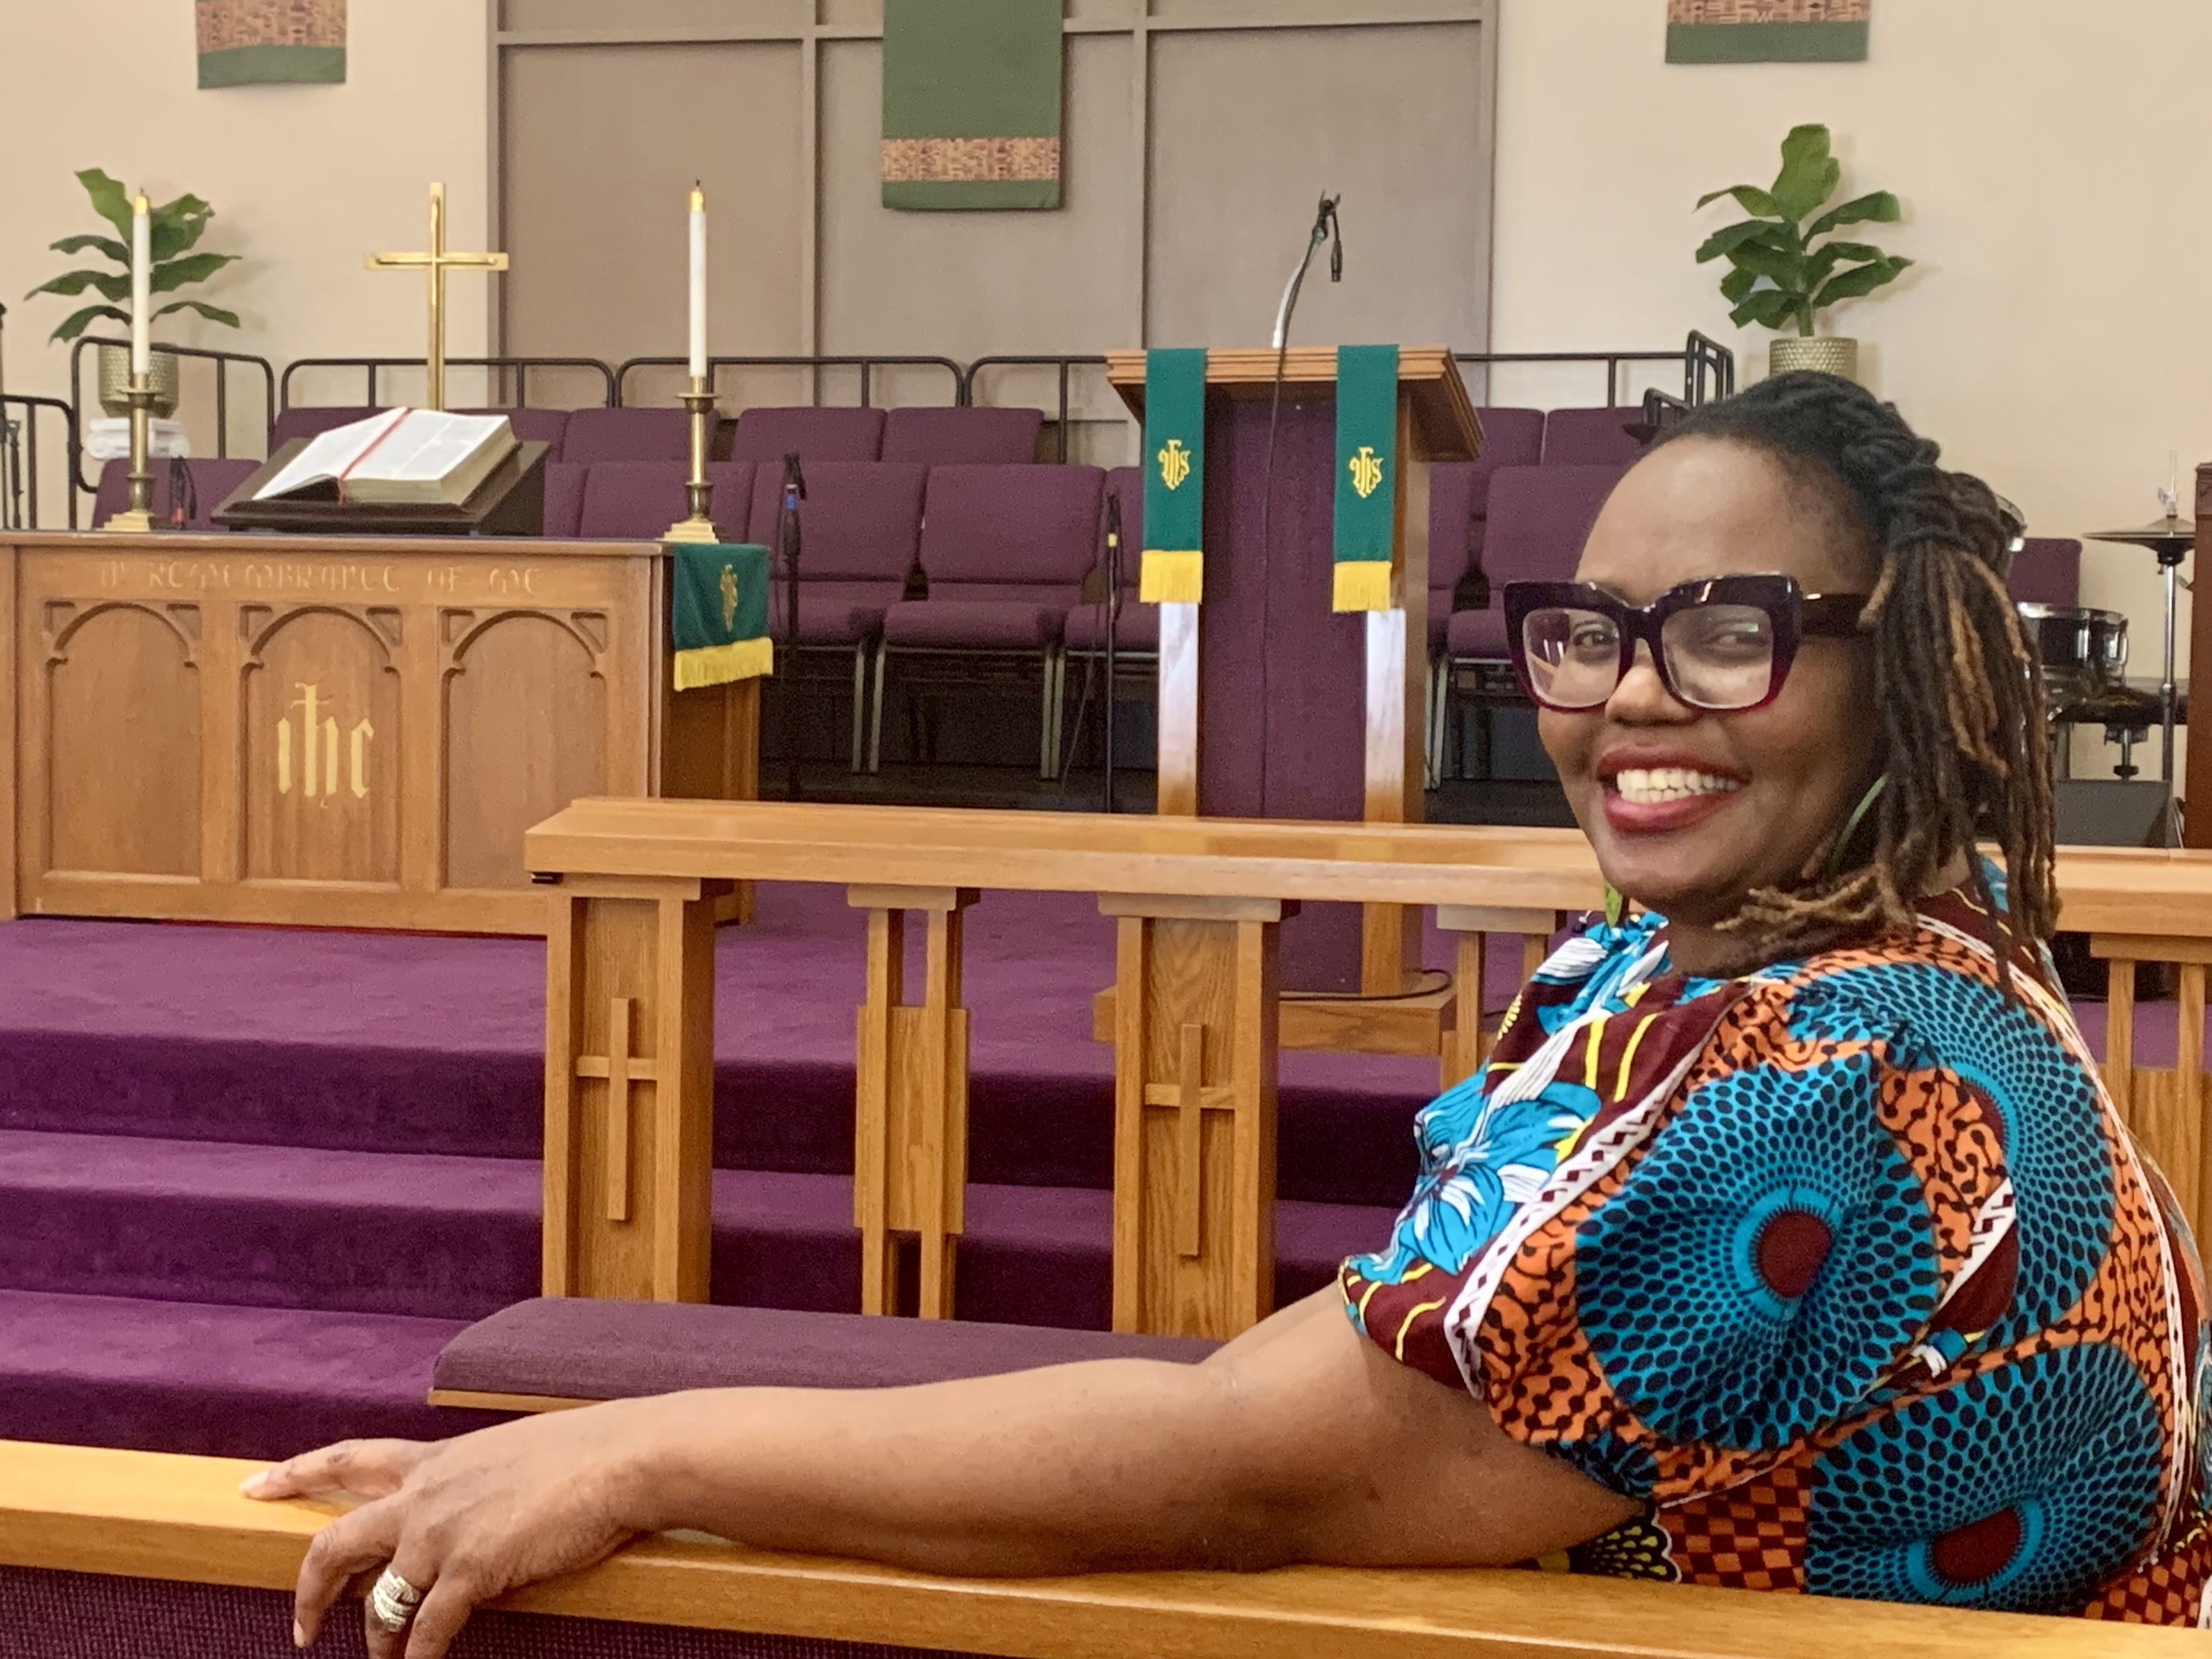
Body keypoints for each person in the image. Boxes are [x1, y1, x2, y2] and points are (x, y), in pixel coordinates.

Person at [247, 374, 2212, 1652]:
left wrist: (637, 1457)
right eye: (1587, 631)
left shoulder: (1837, 1074)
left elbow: (1243, 1468)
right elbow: (1327, 1368)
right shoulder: (1682, 961)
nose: (1627, 697)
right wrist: (602, 1438)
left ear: (1903, 668)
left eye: (1730, 632)